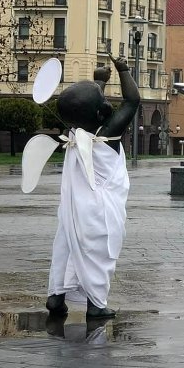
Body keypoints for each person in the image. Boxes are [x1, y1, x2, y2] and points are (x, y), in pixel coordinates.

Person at [45, 55, 140, 319]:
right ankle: (96, 305)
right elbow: (133, 101)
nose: (108, 102)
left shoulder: (75, 133)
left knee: (66, 250)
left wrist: (99, 81)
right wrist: (124, 70)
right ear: (101, 113)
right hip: (100, 212)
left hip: (73, 210)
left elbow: (88, 105)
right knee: (98, 256)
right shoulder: (107, 134)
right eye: (105, 101)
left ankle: (56, 297)